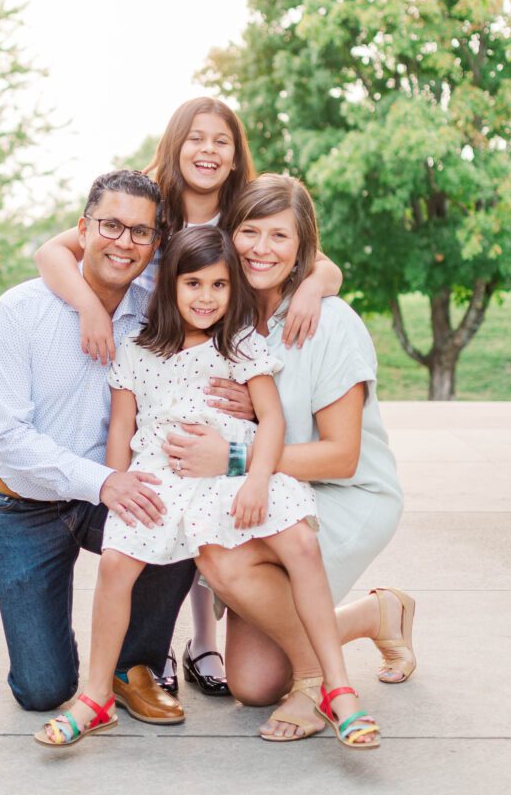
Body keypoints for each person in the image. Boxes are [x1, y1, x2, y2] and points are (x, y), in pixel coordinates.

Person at [34, 96, 344, 693]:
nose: (207, 150)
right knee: (168, 486)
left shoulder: (243, 207)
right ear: (174, 145)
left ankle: (205, 640)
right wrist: (87, 311)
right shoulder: (149, 201)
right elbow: (52, 250)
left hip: (219, 367)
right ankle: (168, 641)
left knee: (209, 494)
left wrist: (312, 290)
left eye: (221, 141)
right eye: (195, 138)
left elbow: (316, 261)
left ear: (236, 156)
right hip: (151, 364)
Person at [35, 227, 380, 750]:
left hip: (233, 473)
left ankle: (337, 687)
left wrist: (259, 478)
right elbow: (121, 428)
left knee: (301, 543)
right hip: (161, 476)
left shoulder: (238, 343)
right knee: (114, 565)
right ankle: (96, 697)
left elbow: (271, 419)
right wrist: (116, 482)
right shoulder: (136, 348)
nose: (206, 297)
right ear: (169, 285)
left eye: (219, 286)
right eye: (193, 283)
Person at [163, 175, 411, 742]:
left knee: (225, 560)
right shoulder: (223, 318)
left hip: (345, 496)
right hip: (277, 490)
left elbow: (341, 457)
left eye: (279, 236)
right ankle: (377, 615)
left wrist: (230, 454)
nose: (260, 248)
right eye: (249, 231)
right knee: (251, 684)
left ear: (303, 247)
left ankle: (317, 680)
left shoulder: (331, 323)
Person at [0, 169, 195, 723]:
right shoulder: (18, 312)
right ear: (83, 228)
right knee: (43, 689)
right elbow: (8, 440)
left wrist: (244, 403)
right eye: (111, 225)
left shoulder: (159, 314)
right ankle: (60, 651)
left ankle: (133, 664)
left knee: (175, 512)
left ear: (155, 244)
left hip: (109, 496)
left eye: (140, 233)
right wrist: (102, 479)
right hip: (23, 505)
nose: (124, 242)